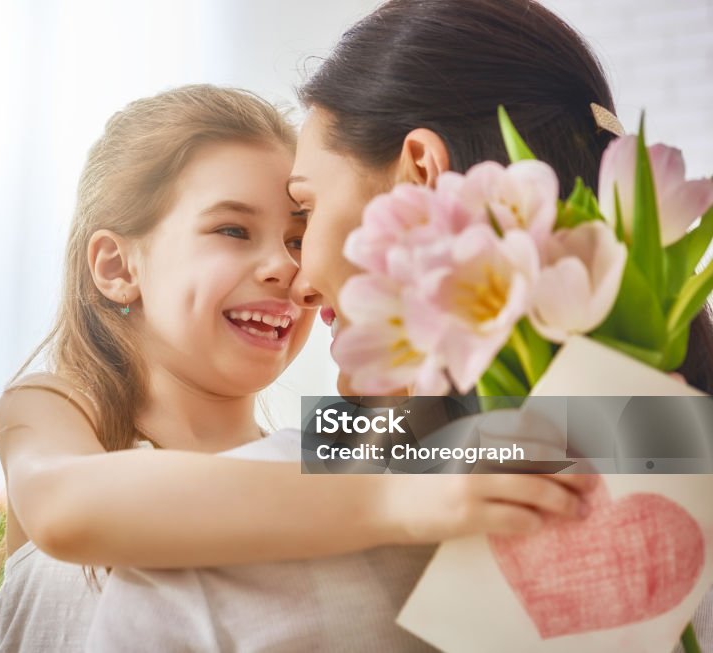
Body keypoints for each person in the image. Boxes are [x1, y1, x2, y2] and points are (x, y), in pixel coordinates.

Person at [85, 0, 713, 650]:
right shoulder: (675, 448)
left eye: (306, 210)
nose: (298, 282)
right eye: (232, 231)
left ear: (421, 173)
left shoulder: (200, 559)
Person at [0, 83, 590, 651]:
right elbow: (67, 507)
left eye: (299, 237)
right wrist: (396, 501)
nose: (291, 272)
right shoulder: (50, 407)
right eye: (232, 229)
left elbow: (545, 447)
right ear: (117, 266)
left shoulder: (316, 443)